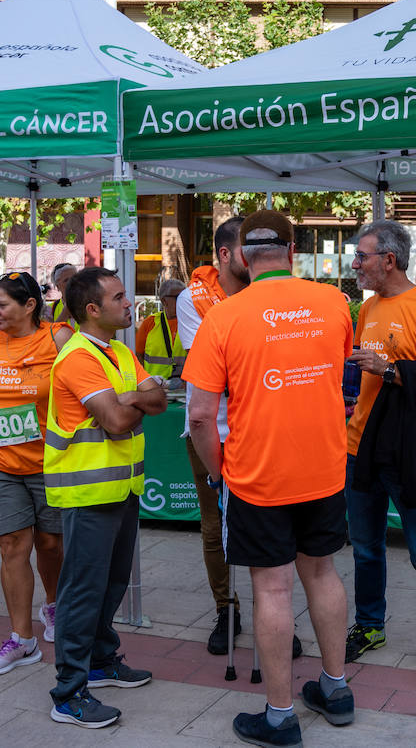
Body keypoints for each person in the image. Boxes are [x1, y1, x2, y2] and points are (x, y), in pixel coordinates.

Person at [184, 210, 356, 748]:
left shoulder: (223, 317)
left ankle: (281, 717)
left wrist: (219, 476)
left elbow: (197, 417)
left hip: (257, 476)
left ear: (238, 255)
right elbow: (335, 370)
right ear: (293, 248)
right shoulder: (335, 304)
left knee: (272, 587)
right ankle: (336, 688)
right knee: (323, 574)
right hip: (324, 469)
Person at [46, 266, 166, 728]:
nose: (128, 303)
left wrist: (129, 400)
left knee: (112, 585)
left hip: (121, 488)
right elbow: (117, 422)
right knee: (82, 592)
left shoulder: (118, 350)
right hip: (88, 493)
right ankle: (69, 693)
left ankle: (100, 661)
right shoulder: (77, 357)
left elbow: (155, 400)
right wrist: (132, 401)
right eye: (119, 297)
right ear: (92, 309)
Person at [345, 219, 416, 690]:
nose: (355, 264)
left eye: (362, 257)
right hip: (360, 445)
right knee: (366, 547)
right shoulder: (368, 307)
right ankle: (370, 625)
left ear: (388, 260)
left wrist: (391, 370)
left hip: (408, 452)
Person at [0, 271, 72, 675]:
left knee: (50, 544)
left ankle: (54, 606)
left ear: (30, 305)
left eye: (2, 304)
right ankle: (21, 638)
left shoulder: (58, 338)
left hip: (48, 463)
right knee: (13, 545)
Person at [176, 217, 250, 654]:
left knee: (265, 523)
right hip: (207, 428)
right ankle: (227, 608)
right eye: (248, 250)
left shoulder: (266, 294)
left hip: (258, 426)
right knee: (213, 526)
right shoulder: (192, 299)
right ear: (225, 255)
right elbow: (213, 371)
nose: (256, 258)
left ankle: (272, 613)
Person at [138, 279, 187, 386]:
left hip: (184, 388)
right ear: (164, 301)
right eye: (178, 297)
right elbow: (138, 356)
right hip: (155, 388)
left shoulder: (191, 322)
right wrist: (146, 381)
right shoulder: (150, 323)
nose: (184, 300)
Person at [49, 263, 78, 327]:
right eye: (66, 280)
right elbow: (48, 335)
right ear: (57, 286)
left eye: (75, 277)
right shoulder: (50, 309)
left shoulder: (89, 305)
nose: (73, 282)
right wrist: (64, 314)